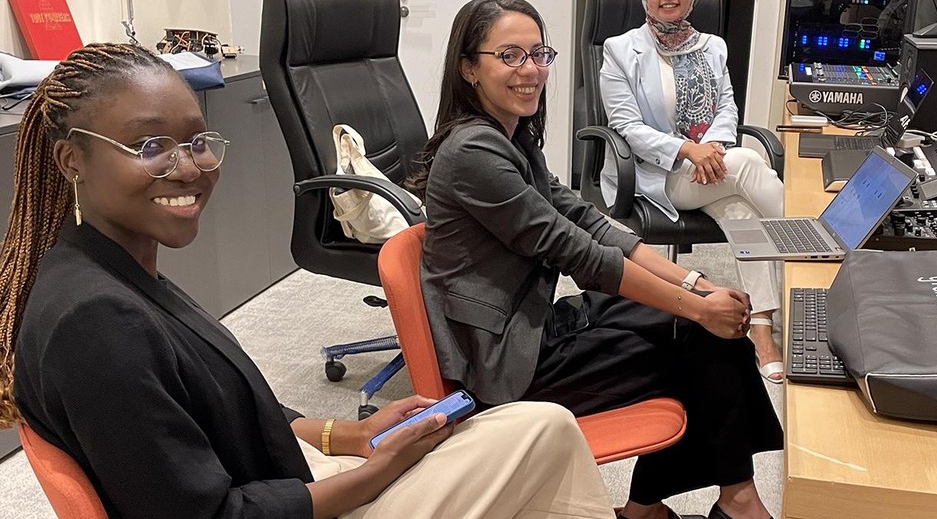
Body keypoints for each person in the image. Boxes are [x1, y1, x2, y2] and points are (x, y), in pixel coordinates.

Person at [0, 43, 616, 519]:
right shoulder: (96, 322)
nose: (188, 167)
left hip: (283, 475)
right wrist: (376, 474)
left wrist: (349, 433)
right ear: (72, 160)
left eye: (197, 141)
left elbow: (218, 407)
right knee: (544, 434)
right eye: (149, 145)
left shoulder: (106, 268)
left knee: (532, 426)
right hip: (280, 505)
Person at [408, 0, 782, 519]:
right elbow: (580, 255)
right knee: (698, 338)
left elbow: (590, 222)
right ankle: (726, 504)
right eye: (510, 56)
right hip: (506, 362)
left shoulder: (513, 138)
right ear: (469, 68)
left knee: (697, 325)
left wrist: (696, 286)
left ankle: (673, 508)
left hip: (534, 325)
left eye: (539, 54)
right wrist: (698, 308)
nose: (531, 70)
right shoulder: (473, 152)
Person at [599, 0, 785, 384]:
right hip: (658, 174)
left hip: (711, 170)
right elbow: (626, 126)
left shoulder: (712, 47)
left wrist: (712, 149)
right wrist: (688, 150)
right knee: (748, 162)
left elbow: (726, 108)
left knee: (743, 212)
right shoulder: (620, 50)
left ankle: (761, 328)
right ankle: (819, 245)